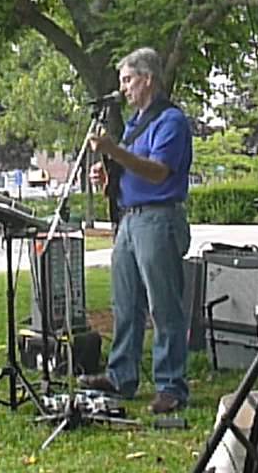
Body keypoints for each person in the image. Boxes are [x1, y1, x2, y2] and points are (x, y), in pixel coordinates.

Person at [78, 47, 193, 414]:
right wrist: (110, 175)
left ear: (148, 79)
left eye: (127, 80)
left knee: (163, 306)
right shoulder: (135, 123)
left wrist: (114, 150)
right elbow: (134, 168)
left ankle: (171, 385)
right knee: (125, 303)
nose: (123, 88)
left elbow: (159, 171)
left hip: (158, 220)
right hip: (129, 219)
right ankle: (120, 376)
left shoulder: (170, 121)